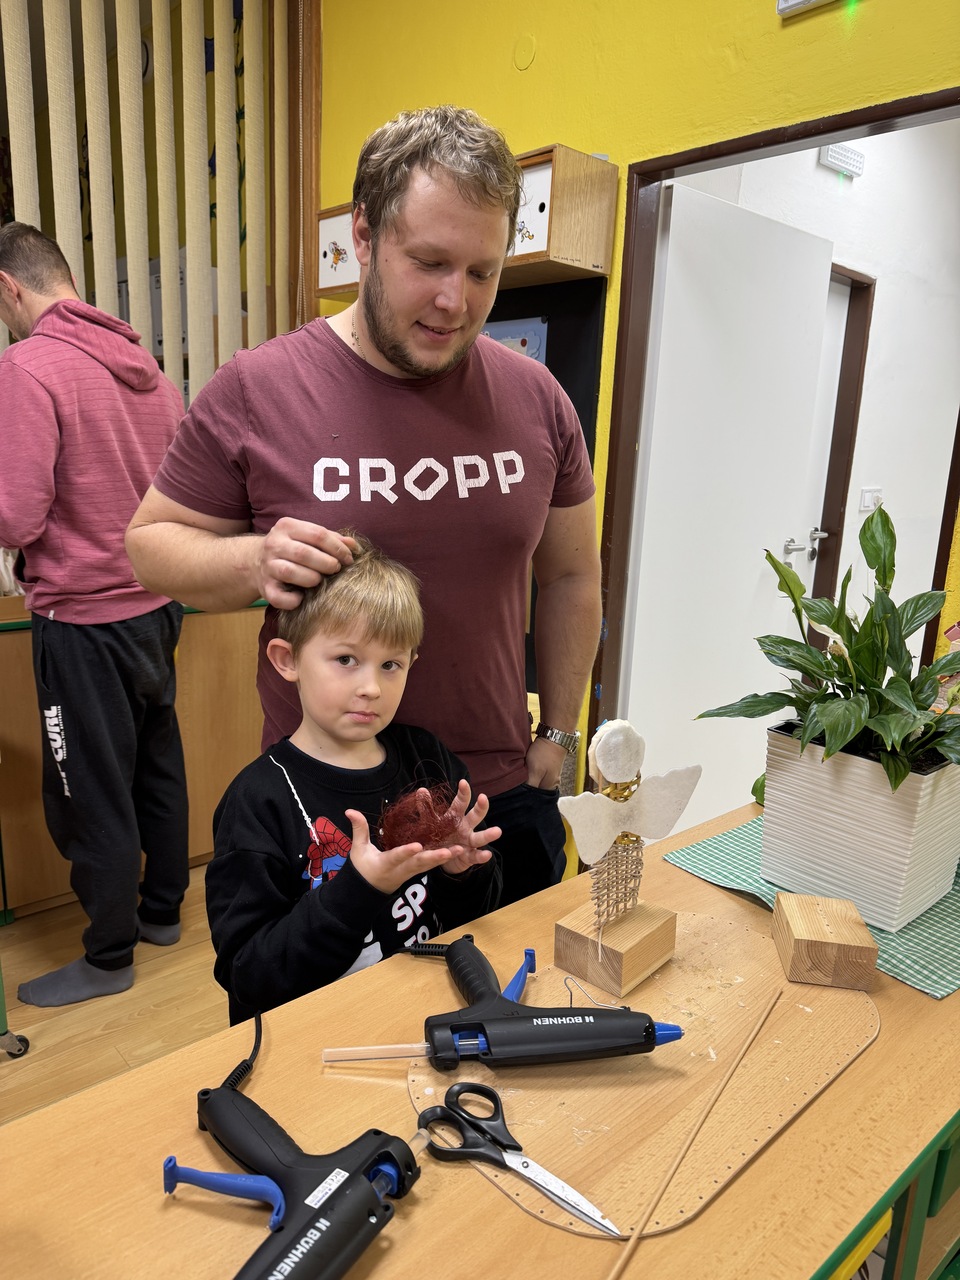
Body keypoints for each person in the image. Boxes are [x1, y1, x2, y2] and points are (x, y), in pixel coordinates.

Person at [127, 104, 602, 906]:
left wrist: (557, 735)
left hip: (498, 798)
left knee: (512, 991)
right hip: (330, 810)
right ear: (364, 236)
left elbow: (570, 577)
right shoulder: (258, 388)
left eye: (482, 272)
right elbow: (151, 546)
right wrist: (254, 560)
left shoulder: (538, 398)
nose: (455, 300)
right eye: (430, 262)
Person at [0, 222, 189, 1007]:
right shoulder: (149, 371)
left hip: (81, 621)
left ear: (9, 287)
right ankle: (162, 915)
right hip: (157, 606)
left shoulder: (29, 366)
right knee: (155, 762)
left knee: (88, 788)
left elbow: (16, 516)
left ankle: (108, 957)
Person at [206, 532, 502, 1023]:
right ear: (288, 660)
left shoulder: (428, 759)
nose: (371, 687)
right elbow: (248, 976)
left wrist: (463, 872)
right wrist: (360, 887)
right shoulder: (257, 802)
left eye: (391, 665)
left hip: (422, 1018)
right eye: (346, 659)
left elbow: (472, 922)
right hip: (311, 1038)